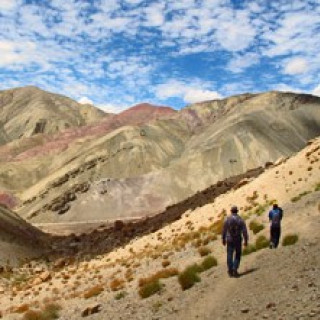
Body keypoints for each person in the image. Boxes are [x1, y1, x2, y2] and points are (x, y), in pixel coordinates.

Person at [222, 206, 248, 277]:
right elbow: (244, 231)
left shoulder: (227, 219)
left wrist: (223, 239)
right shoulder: (240, 219)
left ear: (231, 211)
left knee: (229, 255)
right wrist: (246, 240)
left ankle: (230, 270)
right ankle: (235, 269)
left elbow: (224, 230)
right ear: (237, 211)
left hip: (229, 239)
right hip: (238, 239)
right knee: (238, 254)